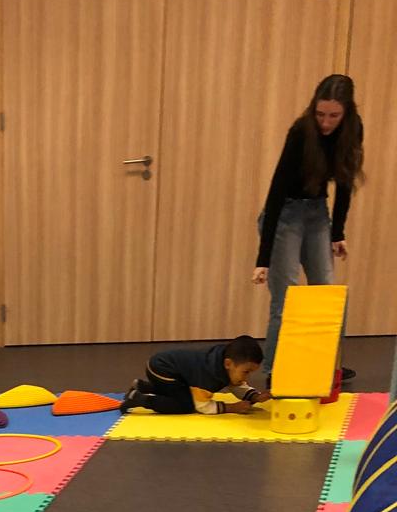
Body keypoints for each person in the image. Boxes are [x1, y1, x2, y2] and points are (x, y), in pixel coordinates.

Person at [254, 74, 364, 379]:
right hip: (285, 214)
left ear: (347, 113)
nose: (325, 123)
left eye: (333, 116)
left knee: (326, 293)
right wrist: (263, 258)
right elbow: (276, 191)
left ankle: (328, 368)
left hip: (317, 214)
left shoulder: (353, 129)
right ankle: (275, 371)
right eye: (320, 114)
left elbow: (344, 183)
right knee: (286, 298)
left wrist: (337, 232)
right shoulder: (301, 131)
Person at [123, 337, 269, 415]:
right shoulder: (209, 376)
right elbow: (202, 406)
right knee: (185, 405)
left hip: (168, 368)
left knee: (182, 392)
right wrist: (231, 408)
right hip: (162, 370)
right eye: (246, 372)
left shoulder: (226, 363)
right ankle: (138, 398)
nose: (247, 378)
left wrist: (255, 396)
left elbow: (236, 384)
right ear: (228, 364)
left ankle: (144, 386)